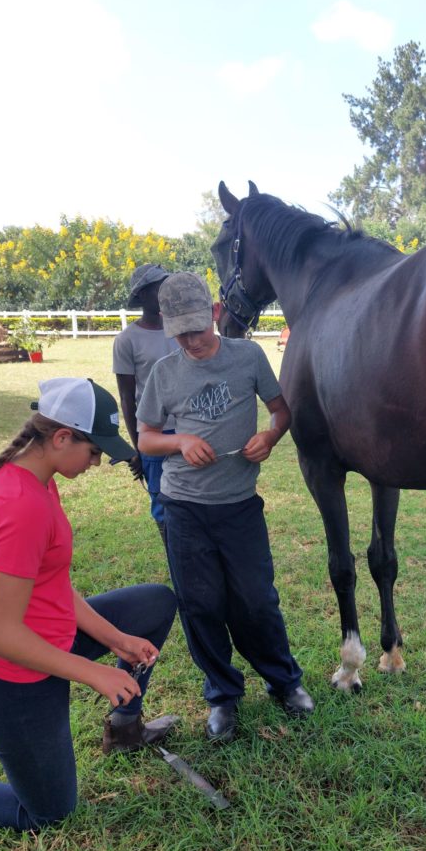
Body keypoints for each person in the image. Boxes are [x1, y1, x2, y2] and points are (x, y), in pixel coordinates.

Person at [0, 378, 179, 833]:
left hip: (48, 636)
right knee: (50, 811)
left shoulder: (35, 479)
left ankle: (125, 730)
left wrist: (117, 640)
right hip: (9, 679)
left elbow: (51, 585)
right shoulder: (21, 505)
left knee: (153, 603)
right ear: (62, 437)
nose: (97, 462)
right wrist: (95, 672)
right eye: (94, 451)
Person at [136, 272, 314, 743]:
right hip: (185, 508)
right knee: (202, 604)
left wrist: (271, 436)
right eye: (180, 333)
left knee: (256, 600)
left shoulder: (248, 357)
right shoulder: (164, 374)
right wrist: (180, 442)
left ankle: (284, 681)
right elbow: (146, 438)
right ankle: (222, 695)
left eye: (197, 329)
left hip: (238, 506)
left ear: (215, 313)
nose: (191, 341)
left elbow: (281, 410)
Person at [113, 263, 176, 541]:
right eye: (157, 288)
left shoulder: (181, 329)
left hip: (191, 425)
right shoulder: (127, 340)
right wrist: (137, 444)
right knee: (162, 503)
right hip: (154, 431)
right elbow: (127, 398)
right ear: (140, 296)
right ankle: (174, 553)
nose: (164, 292)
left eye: (166, 284)